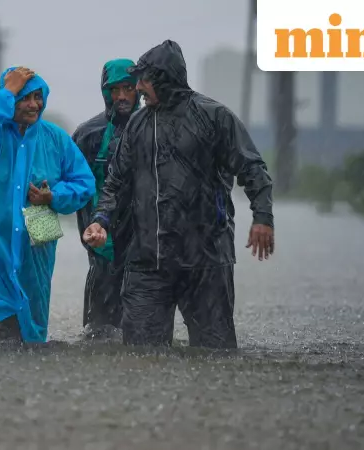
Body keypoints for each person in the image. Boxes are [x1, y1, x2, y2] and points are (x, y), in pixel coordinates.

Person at [83, 40, 275, 349]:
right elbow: (115, 183)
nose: (138, 87)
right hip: (148, 261)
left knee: (215, 355)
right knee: (140, 357)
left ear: (163, 78)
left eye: (143, 80)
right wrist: (101, 220)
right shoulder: (138, 124)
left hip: (205, 262)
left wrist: (262, 217)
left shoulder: (214, 117)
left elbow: (252, 168)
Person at [0, 66, 95, 343]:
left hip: (35, 251)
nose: (33, 104)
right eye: (24, 97)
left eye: (38, 96)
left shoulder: (55, 138)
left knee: (27, 335)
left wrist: (53, 196)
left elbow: (85, 184)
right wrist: (7, 91)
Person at [72, 58, 140, 340]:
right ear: (104, 90)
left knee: (143, 333)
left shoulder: (154, 129)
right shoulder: (87, 134)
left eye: (128, 88)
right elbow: (74, 186)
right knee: (98, 334)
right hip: (101, 242)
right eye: (115, 89)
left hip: (143, 244)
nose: (122, 96)